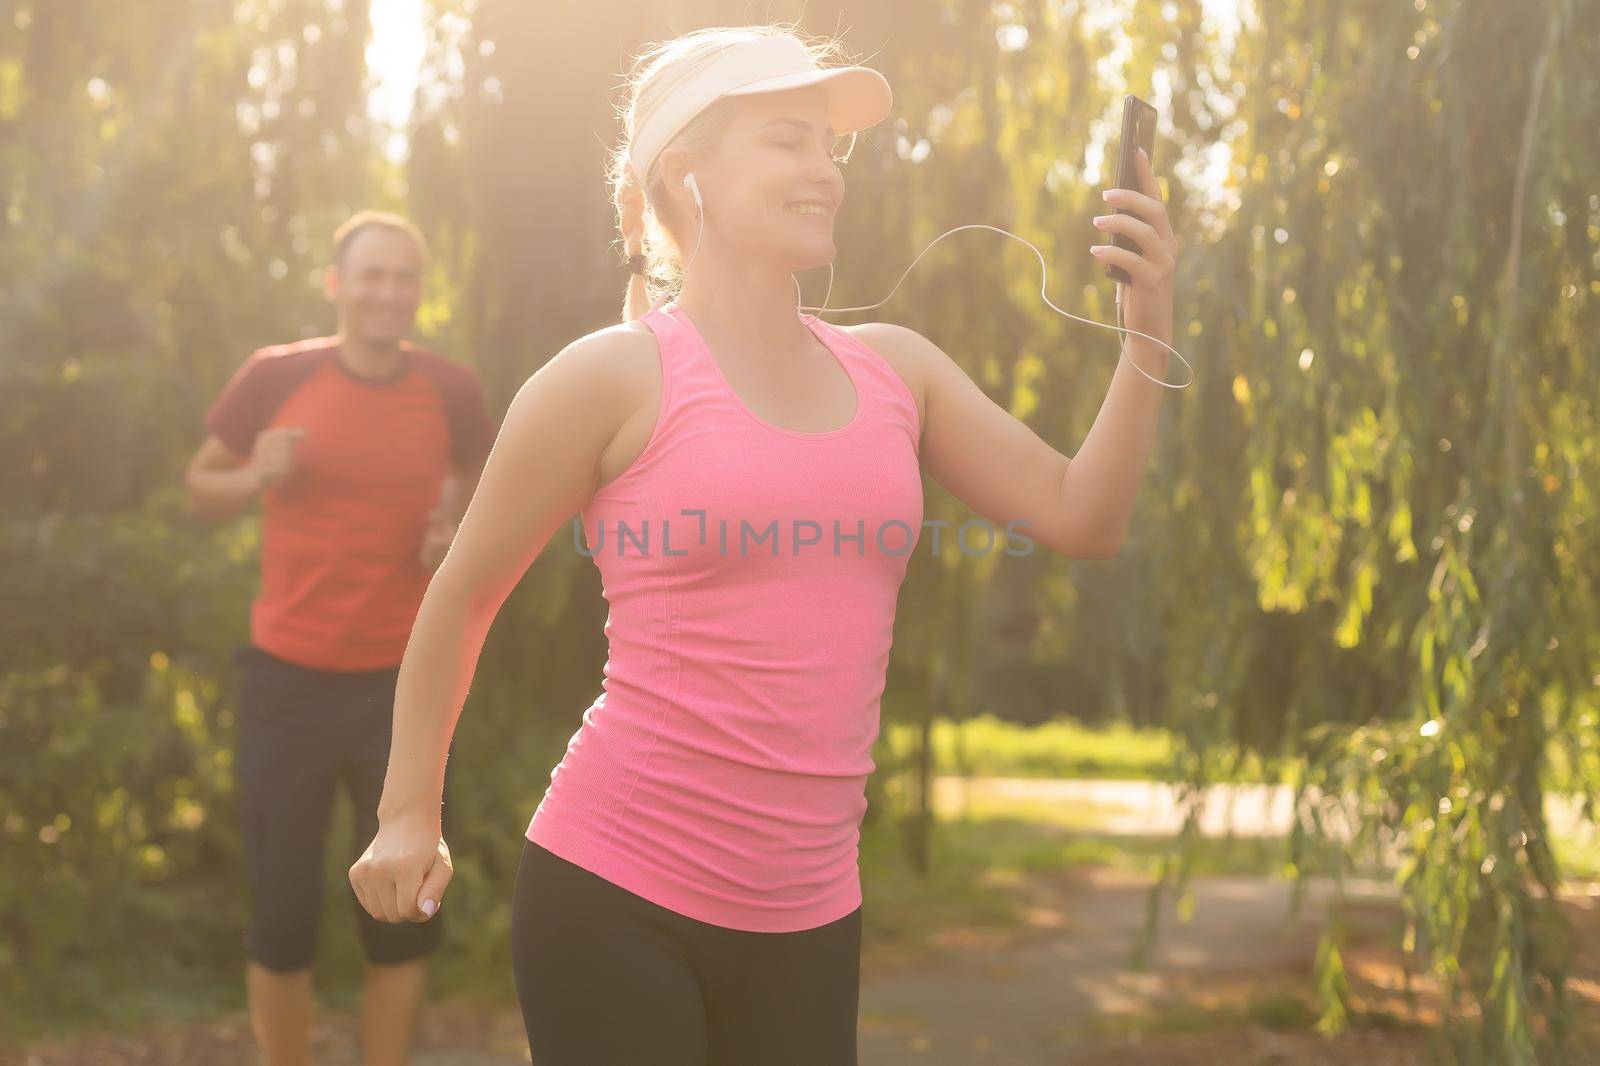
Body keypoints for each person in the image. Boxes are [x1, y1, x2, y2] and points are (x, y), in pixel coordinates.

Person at [349, 21, 1177, 1066]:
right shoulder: (610, 377)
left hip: (810, 916)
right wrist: (405, 811)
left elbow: (1082, 516)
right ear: (686, 174)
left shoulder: (897, 371)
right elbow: (463, 595)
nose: (823, 171)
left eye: (828, 148)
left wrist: (1146, 324)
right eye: (788, 141)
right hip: (616, 893)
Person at [184, 209, 496, 1066]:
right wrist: (253, 475)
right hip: (285, 684)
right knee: (282, 916)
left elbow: (476, 484)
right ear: (336, 284)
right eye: (372, 276)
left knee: (403, 913)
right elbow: (198, 484)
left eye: (404, 278)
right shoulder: (273, 379)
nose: (388, 293)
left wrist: (451, 526)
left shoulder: (453, 392)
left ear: (419, 293)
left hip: (406, 689)